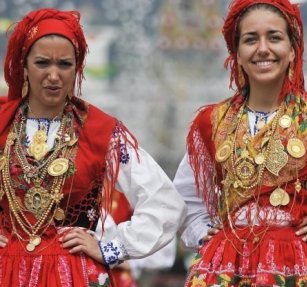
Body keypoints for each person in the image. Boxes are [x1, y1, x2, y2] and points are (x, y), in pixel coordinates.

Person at [174, 1, 307, 286]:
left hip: (302, 264)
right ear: (237, 53)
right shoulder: (211, 122)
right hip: (227, 264)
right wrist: (202, 232)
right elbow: (186, 196)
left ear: (292, 49)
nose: (263, 49)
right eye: (251, 39)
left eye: (274, 37)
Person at [0, 8, 186, 286]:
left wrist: (109, 247)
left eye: (64, 64)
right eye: (42, 63)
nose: (54, 75)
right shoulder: (3, 123)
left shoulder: (100, 131)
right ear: (24, 66)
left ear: (77, 68)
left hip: (71, 272)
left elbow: (166, 203)